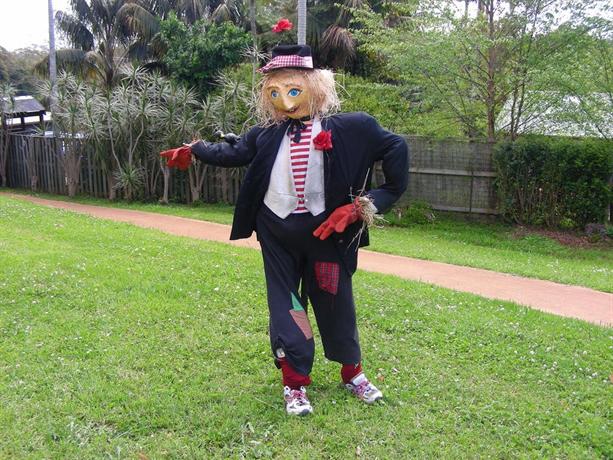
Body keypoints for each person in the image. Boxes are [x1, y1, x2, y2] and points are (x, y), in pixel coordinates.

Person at [161, 44, 408, 416]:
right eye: (275, 94)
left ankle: (352, 373)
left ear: (317, 87)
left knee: (336, 300)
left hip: (327, 234)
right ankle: (294, 383)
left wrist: (364, 205)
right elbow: (233, 153)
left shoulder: (353, 127)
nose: (286, 103)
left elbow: (396, 147)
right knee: (285, 306)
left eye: (294, 91)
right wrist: (196, 149)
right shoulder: (266, 133)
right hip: (276, 233)